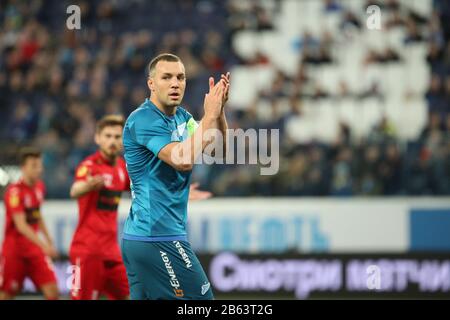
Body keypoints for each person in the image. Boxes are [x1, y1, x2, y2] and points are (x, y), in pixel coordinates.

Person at [121, 53, 229, 300]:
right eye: (166, 77)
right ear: (151, 83)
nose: (175, 83)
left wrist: (219, 110)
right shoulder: (143, 119)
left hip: (145, 237)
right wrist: (209, 117)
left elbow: (218, 149)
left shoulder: (183, 118)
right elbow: (182, 159)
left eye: (180, 77)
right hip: (157, 237)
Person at [69, 114, 212, 300]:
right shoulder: (89, 167)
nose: (112, 141)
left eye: (117, 136)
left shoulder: (122, 168)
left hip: (111, 250)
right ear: (97, 138)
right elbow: (75, 190)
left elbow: (146, 189)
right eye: (108, 136)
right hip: (87, 250)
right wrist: (87, 186)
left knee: (131, 295)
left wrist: (179, 193)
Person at [0, 147, 59, 300]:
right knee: (6, 294)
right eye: (34, 165)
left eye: (40, 165)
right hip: (15, 251)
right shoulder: (14, 192)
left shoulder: (39, 187)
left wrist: (49, 240)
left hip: (33, 250)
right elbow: (21, 225)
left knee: (52, 290)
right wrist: (44, 245)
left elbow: (37, 216)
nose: (39, 169)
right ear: (23, 168)